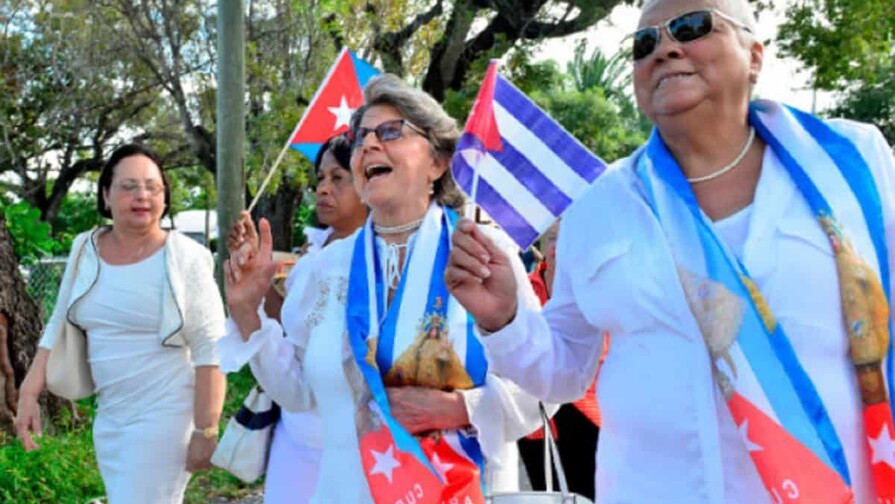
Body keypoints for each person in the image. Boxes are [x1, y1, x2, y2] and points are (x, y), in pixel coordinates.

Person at [445, 0, 895, 502]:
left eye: (692, 26)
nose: (665, 49)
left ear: (754, 56)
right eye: (645, 44)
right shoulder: (601, 204)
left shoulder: (855, 165)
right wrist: (504, 318)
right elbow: (564, 372)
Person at [221, 74, 542, 503]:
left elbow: (542, 387)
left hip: (462, 490)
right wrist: (247, 310)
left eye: (390, 131)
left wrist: (460, 409)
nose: (369, 145)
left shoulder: (482, 253)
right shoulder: (325, 267)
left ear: (438, 161)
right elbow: (297, 392)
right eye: (360, 137)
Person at [14, 144, 227, 503]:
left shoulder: (186, 257)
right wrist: (28, 392)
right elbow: (58, 323)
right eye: (129, 186)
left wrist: (206, 429)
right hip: (111, 416)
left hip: (165, 417)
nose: (142, 195)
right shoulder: (85, 248)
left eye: (152, 187)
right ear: (106, 194)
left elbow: (211, 348)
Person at [221, 133, 369, 503]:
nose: (323, 189)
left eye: (338, 178)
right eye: (320, 178)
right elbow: (289, 327)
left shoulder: (381, 255)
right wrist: (255, 279)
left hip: (359, 441)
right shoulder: (315, 251)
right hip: (296, 431)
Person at [516, 220, 602, 501]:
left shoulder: (601, 293)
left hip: (592, 414)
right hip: (538, 419)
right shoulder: (521, 293)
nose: (556, 249)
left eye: (566, 241)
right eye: (553, 240)